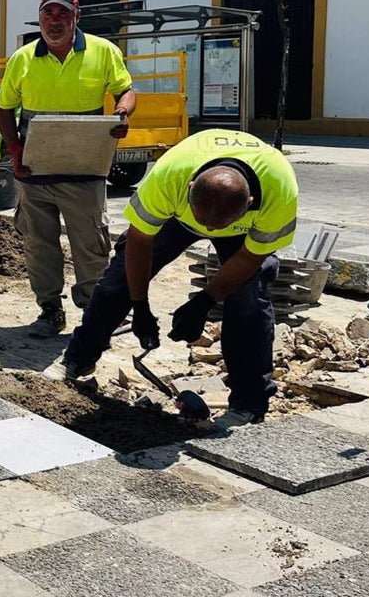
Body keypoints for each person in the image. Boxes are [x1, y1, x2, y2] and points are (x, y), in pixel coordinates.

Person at [46, 129, 298, 431]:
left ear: (250, 202)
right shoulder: (169, 176)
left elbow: (248, 259)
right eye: (202, 221)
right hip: (178, 217)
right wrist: (139, 306)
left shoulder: (279, 193)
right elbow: (140, 243)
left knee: (249, 301)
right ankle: (78, 359)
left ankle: (249, 403)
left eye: (216, 226)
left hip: (242, 231)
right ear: (190, 187)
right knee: (118, 281)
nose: (208, 230)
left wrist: (204, 302)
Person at [0, 0, 137, 338]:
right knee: (39, 244)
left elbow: (125, 90)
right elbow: (4, 109)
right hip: (34, 173)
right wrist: (14, 149)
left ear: (77, 16)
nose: (54, 21)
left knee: (91, 243)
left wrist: (121, 113)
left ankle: (96, 312)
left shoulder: (103, 52)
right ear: (40, 17)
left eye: (63, 13)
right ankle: (49, 311)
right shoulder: (23, 59)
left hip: (84, 170)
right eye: (48, 13)